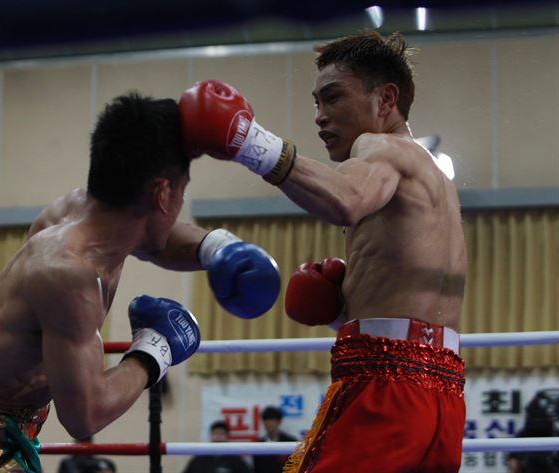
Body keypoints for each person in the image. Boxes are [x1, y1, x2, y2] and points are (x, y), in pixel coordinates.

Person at [0, 92, 280, 472]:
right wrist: (154, 351)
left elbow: (160, 239)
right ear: (162, 193)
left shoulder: (89, 216)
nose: (179, 206)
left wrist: (219, 249)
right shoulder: (66, 274)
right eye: (181, 192)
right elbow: (84, 416)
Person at [179, 31, 466, 473]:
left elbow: (345, 199)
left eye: (332, 98)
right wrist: (338, 312)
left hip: (384, 380)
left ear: (385, 99)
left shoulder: (383, 147)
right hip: (443, 392)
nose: (319, 116)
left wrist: (249, 142)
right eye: (316, 102)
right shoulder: (437, 180)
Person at [181, 421, 253, 473]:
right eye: (215, 433)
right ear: (211, 436)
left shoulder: (235, 459)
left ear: (227, 437)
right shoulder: (199, 458)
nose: (218, 437)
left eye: (221, 434)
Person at [253, 406, 297, 473]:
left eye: (271, 419)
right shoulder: (258, 445)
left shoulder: (290, 442)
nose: (268, 422)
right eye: (265, 419)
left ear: (279, 421)